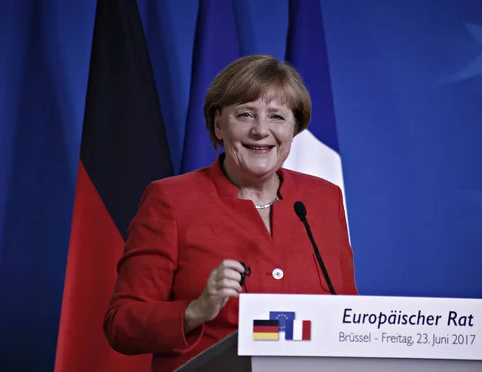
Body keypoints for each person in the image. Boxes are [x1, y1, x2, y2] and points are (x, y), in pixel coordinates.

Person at [103, 54, 358, 372]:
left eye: (277, 117)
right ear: (218, 125)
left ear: (294, 129)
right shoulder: (171, 200)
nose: (261, 131)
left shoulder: (322, 199)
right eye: (245, 115)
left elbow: (348, 315)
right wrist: (196, 310)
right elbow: (121, 324)